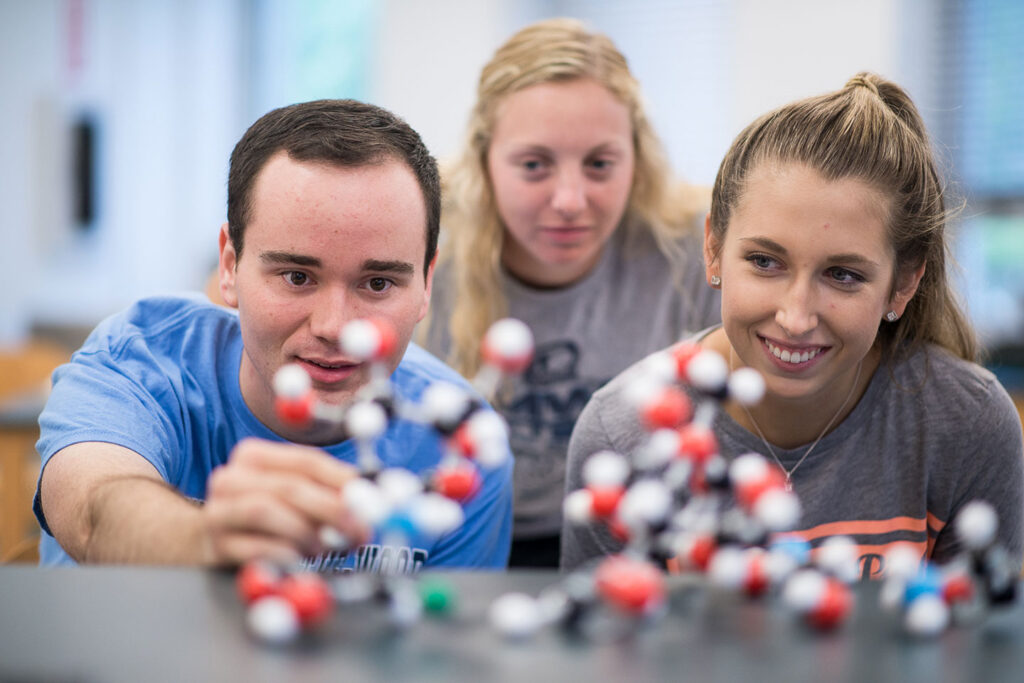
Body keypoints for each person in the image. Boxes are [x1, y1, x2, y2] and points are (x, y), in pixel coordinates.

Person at [561, 73, 1024, 578]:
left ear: (904, 283)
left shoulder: (967, 425)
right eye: (764, 262)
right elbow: (603, 648)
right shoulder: (621, 433)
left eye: (843, 275)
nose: (795, 317)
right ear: (713, 248)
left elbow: (983, 650)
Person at [34, 99, 514, 571]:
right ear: (230, 265)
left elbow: (433, 642)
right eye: (296, 277)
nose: (335, 328)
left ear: (426, 283)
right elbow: (93, 515)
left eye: (378, 283)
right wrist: (210, 539)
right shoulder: (137, 361)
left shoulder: (463, 445)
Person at [419, 18, 720, 568]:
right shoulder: (420, 236)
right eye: (534, 165)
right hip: (458, 538)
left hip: (628, 541)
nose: (570, 200)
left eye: (600, 164)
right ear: (485, 161)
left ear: (637, 156)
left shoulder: (696, 246)